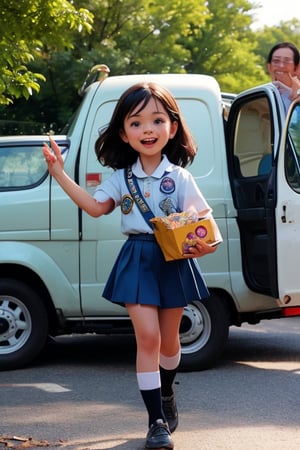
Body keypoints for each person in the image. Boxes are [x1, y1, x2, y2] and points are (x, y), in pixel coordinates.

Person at [43, 82, 217, 449]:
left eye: (157, 120)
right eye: (136, 123)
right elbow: (94, 208)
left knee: (170, 341)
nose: (148, 130)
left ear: (172, 127)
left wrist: (203, 245)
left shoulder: (180, 177)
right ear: (123, 132)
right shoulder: (120, 179)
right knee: (148, 338)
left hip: (173, 260)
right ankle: (156, 423)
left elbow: (204, 224)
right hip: (137, 258)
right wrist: (59, 174)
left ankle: (166, 393)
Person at [267, 41, 300, 114]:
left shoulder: (298, 96)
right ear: (269, 66)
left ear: (296, 67)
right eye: (276, 61)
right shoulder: (262, 94)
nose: (281, 66)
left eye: (287, 61)